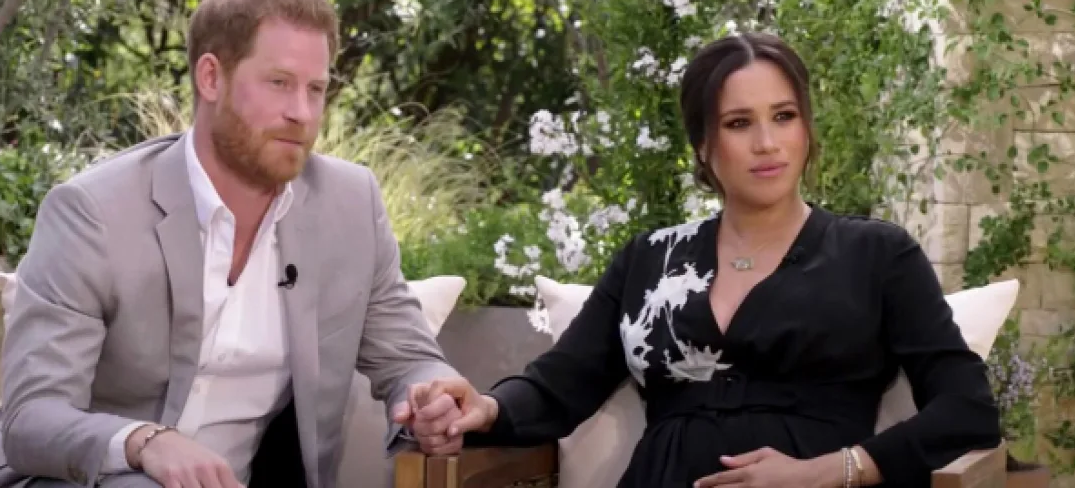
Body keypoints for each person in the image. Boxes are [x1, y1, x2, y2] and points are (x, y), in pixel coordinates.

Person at [403, 33, 1002, 488]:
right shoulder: (649, 259)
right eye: (739, 123)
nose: (767, 143)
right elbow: (559, 386)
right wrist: (485, 408)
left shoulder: (877, 254)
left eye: (784, 116)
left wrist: (830, 471)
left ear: (806, 128)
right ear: (703, 146)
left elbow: (966, 409)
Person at [0, 0, 466, 488]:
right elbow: (33, 417)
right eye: (279, 83)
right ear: (210, 77)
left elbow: (409, 360)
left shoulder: (350, 205)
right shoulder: (94, 211)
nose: (301, 112)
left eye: (315, 89)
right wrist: (146, 443)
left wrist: (432, 396)